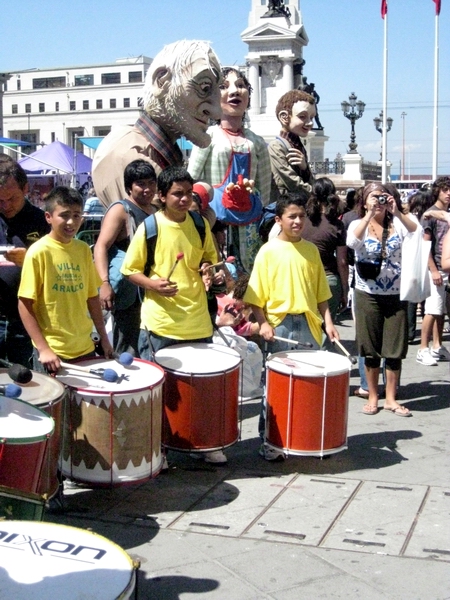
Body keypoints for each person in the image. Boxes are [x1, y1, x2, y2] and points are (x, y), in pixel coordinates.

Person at [121, 166, 227, 464]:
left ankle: (203, 444)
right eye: (177, 194)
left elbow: (210, 261)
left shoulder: (200, 224)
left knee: (201, 392)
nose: (184, 199)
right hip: (160, 325)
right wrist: (153, 284)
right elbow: (130, 270)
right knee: (161, 394)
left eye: (188, 194)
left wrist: (209, 272)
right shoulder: (150, 227)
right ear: (162, 196)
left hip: (197, 322)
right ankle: (159, 449)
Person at [244, 194, 339, 460]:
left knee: (310, 385)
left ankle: (306, 438)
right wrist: (263, 323)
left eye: (301, 216)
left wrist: (328, 322)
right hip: (280, 327)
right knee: (275, 388)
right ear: (279, 220)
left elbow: (321, 293)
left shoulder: (311, 250)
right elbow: (255, 296)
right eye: (292, 217)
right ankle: (271, 441)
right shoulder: (268, 251)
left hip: (309, 324)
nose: (297, 221)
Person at [93, 40, 222, 206]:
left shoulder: (144, 147)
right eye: (204, 87)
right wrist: (200, 195)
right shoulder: (131, 153)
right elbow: (170, 220)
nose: (217, 111)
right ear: (161, 81)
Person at [18, 187, 113, 374]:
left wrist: (104, 337)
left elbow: (92, 297)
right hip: (53, 352)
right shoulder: (39, 252)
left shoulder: (83, 249)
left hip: (85, 347)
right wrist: (43, 348)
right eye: (64, 215)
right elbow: (24, 304)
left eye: (76, 215)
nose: (71, 222)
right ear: (48, 217)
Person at [188, 67, 271, 273]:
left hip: (249, 222)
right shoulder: (208, 136)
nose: (235, 91)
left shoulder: (257, 142)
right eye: (224, 87)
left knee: (250, 272)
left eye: (241, 85)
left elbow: (264, 190)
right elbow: (192, 179)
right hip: (216, 218)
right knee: (218, 269)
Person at [347, 183, 417, 417]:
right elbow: (352, 243)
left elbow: (416, 232)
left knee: (395, 348)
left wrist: (397, 212)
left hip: (396, 293)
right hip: (367, 293)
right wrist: (369, 215)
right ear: (364, 201)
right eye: (373, 197)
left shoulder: (398, 223)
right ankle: (373, 395)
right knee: (370, 348)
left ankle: (391, 398)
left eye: (382, 197)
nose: (378, 201)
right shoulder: (358, 224)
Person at [94, 160, 157, 356]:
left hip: (152, 289)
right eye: (141, 184)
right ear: (129, 187)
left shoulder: (156, 211)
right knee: (127, 347)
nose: (147, 189)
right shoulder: (121, 210)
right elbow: (101, 246)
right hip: (129, 293)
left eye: (151, 183)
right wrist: (104, 283)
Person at [0, 155, 50, 368]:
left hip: (28, 321)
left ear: (26, 188)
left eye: (12, 198)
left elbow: (61, 266)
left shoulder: (43, 221)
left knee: (27, 381)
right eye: (0, 200)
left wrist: (30, 258)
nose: (6, 206)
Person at [301, 177, 348, 321]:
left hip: (303, 278)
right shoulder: (336, 225)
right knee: (326, 325)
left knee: (306, 325)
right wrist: (345, 289)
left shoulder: (301, 222)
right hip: (329, 279)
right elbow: (342, 262)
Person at [416, 176, 450, 366]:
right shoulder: (430, 215)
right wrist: (433, 270)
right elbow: (425, 244)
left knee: (440, 309)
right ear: (437, 191)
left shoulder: (445, 214)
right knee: (432, 309)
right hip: (436, 267)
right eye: (445, 190)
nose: (448, 193)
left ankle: (437, 345)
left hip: (445, 267)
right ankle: (423, 348)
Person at [268, 90, 316, 203]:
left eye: (312, 117)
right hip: (284, 208)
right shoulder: (276, 146)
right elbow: (292, 182)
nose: (310, 123)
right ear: (284, 117)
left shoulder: (298, 146)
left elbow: (307, 179)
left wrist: (305, 168)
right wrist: (316, 194)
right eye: (302, 116)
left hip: (299, 205)